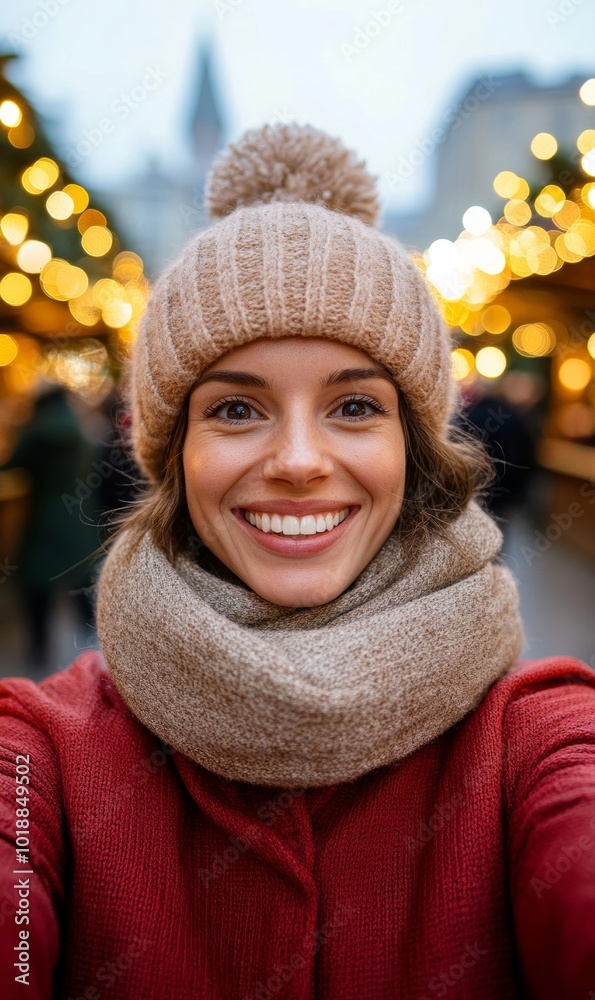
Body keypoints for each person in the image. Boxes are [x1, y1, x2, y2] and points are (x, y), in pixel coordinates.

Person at [0, 123, 594, 999]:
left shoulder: (534, 736)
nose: (300, 460)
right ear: (172, 455)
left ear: (413, 448)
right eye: (236, 411)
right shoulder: (37, 753)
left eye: (354, 405)